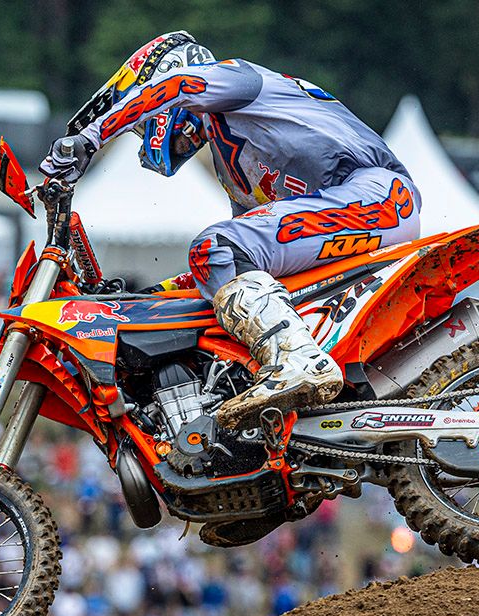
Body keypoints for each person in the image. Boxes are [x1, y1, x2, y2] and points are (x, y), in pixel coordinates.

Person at [40, 31, 421, 429]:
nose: (144, 134)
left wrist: (91, 137)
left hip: (379, 196)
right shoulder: (232, 166)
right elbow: (237, 267)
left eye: (142, 120)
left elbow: (177, 87)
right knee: (221, 258)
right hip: (361, 212)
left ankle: (298, 360)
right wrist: (150, 296)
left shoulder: (237, 79)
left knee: (215, 245)